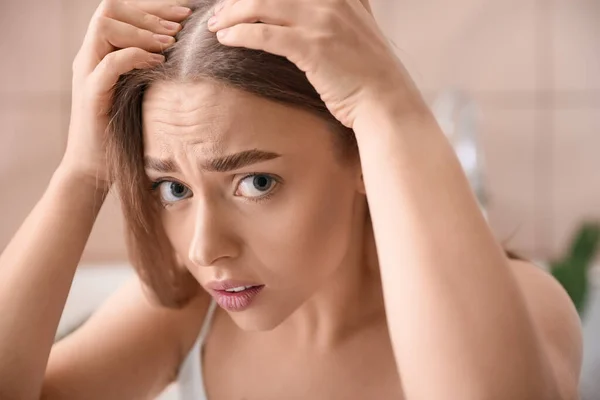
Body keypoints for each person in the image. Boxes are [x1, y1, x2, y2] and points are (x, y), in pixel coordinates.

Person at [0, 0, 583, 399]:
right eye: (172, 188)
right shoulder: (186, 315)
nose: (204, 249)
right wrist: (81, 174)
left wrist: (390, 106)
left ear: (362, 155)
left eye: (256, 182)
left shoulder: (530, 308)